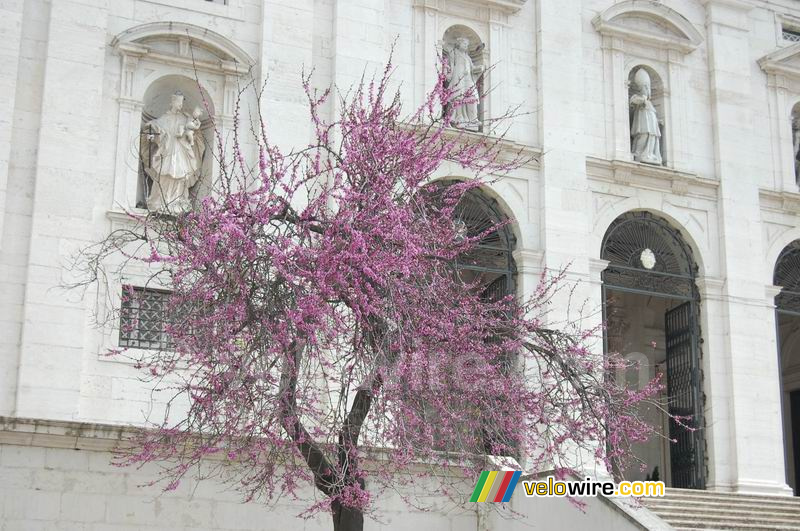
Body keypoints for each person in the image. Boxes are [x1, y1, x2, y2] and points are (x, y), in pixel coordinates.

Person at [143, 91, 205, 213]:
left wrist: (192, 131)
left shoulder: (185, 118)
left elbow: (193, 128)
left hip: (181, 150)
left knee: (180, 175)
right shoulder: (164, 118)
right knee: (164, 173)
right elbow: (154, 127)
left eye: (181, 102)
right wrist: (152, 131)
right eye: (178, 102)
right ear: (172, 102)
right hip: (167, 150)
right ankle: (160, 201)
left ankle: (178, 201)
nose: (180, 105)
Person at [630, 68, 663, 165]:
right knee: (643, 136)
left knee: (652, 137)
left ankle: (649, 154)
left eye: (647, 88)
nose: (647, 90)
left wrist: (658, 121)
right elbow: (632, 102)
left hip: (652, 125)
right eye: (645, 88)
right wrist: (642, 100)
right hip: (643, 123)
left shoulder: (650, 104)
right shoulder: (637, 97)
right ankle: (639, 153)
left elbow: (653, 114)